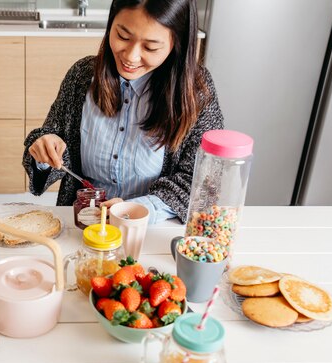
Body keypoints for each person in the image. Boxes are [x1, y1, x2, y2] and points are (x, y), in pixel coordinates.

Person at [23, 0, 223, 224]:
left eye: (150, 47)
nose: (131, 57)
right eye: (123, 37)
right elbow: (54, 140)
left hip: (152, 234)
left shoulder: (195, 93)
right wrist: (45, 148)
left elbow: (203, 182)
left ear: (176, 43)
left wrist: (137, 209)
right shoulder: (81, 77)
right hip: (83, 225)